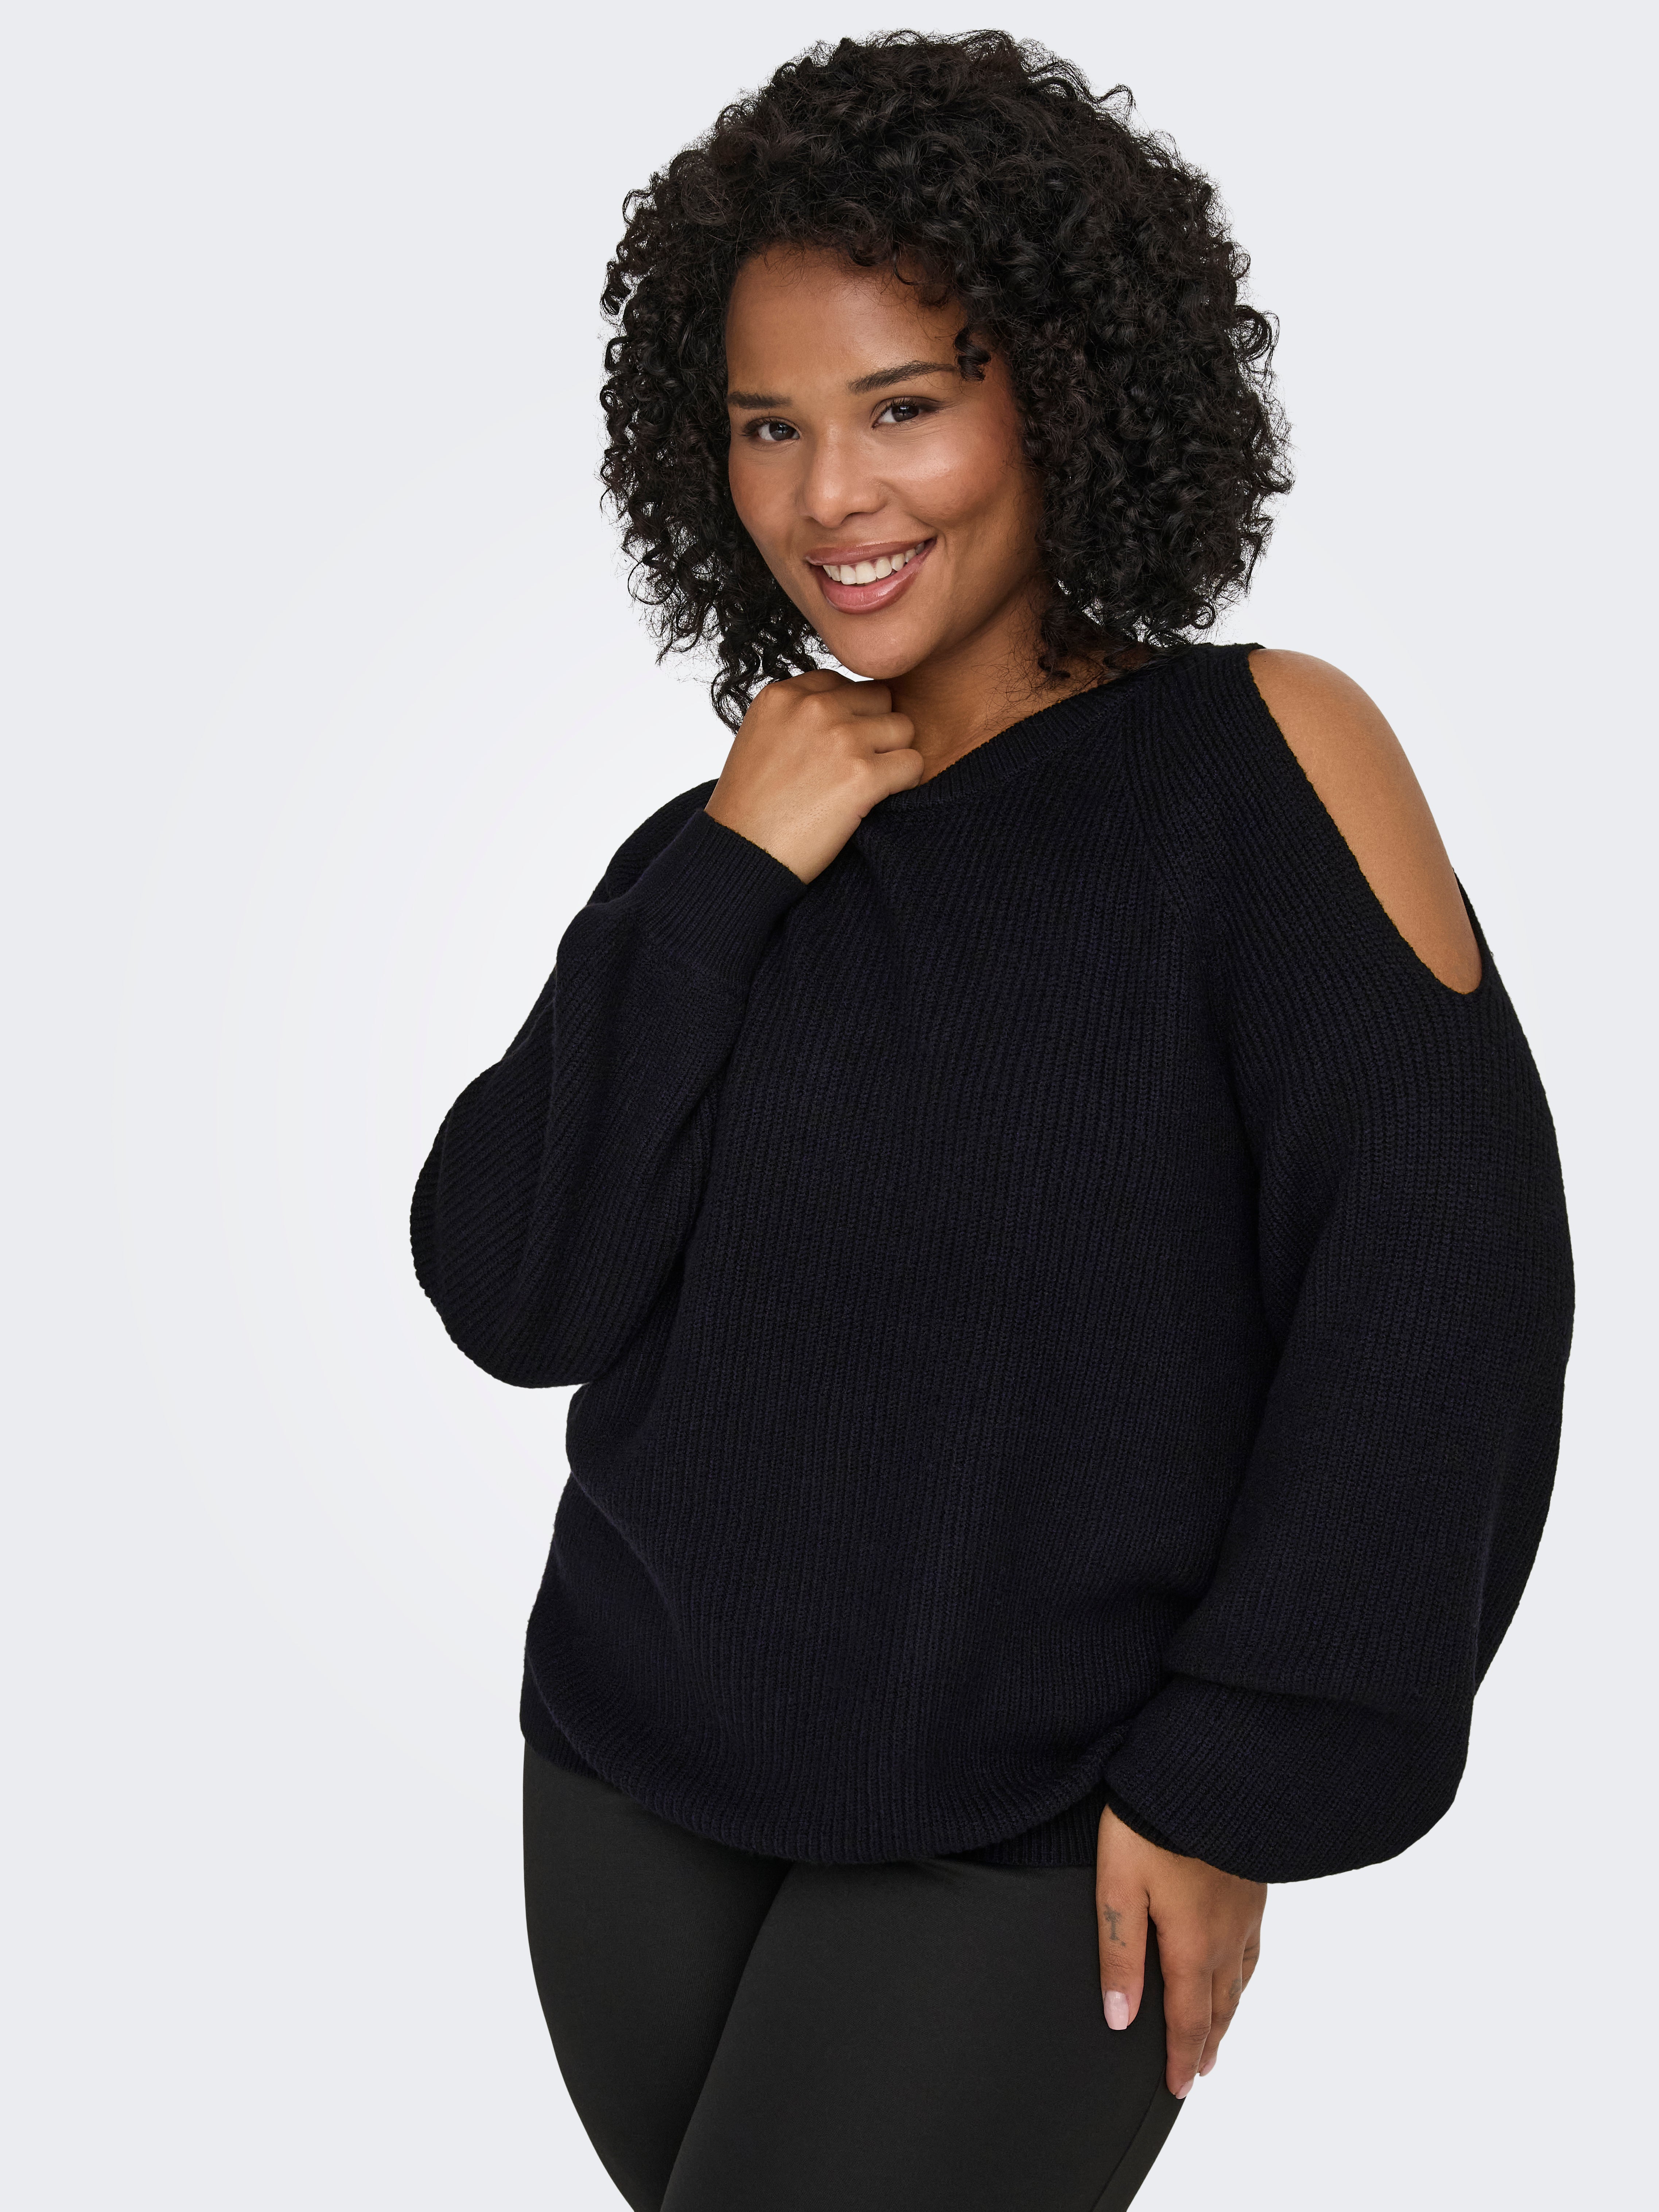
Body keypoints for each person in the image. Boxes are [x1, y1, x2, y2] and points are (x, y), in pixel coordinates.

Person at [410, 31, 1574, 2211]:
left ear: (1061, 388)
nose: (828, 498)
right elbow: (517, 1285)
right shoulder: (725, 841)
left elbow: (1440, 1288)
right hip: (633, 1792)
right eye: (769, 425)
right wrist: (728, 873)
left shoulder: (1258, 757)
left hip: (1045, 1827)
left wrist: (1242, 1765)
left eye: (902, 407)